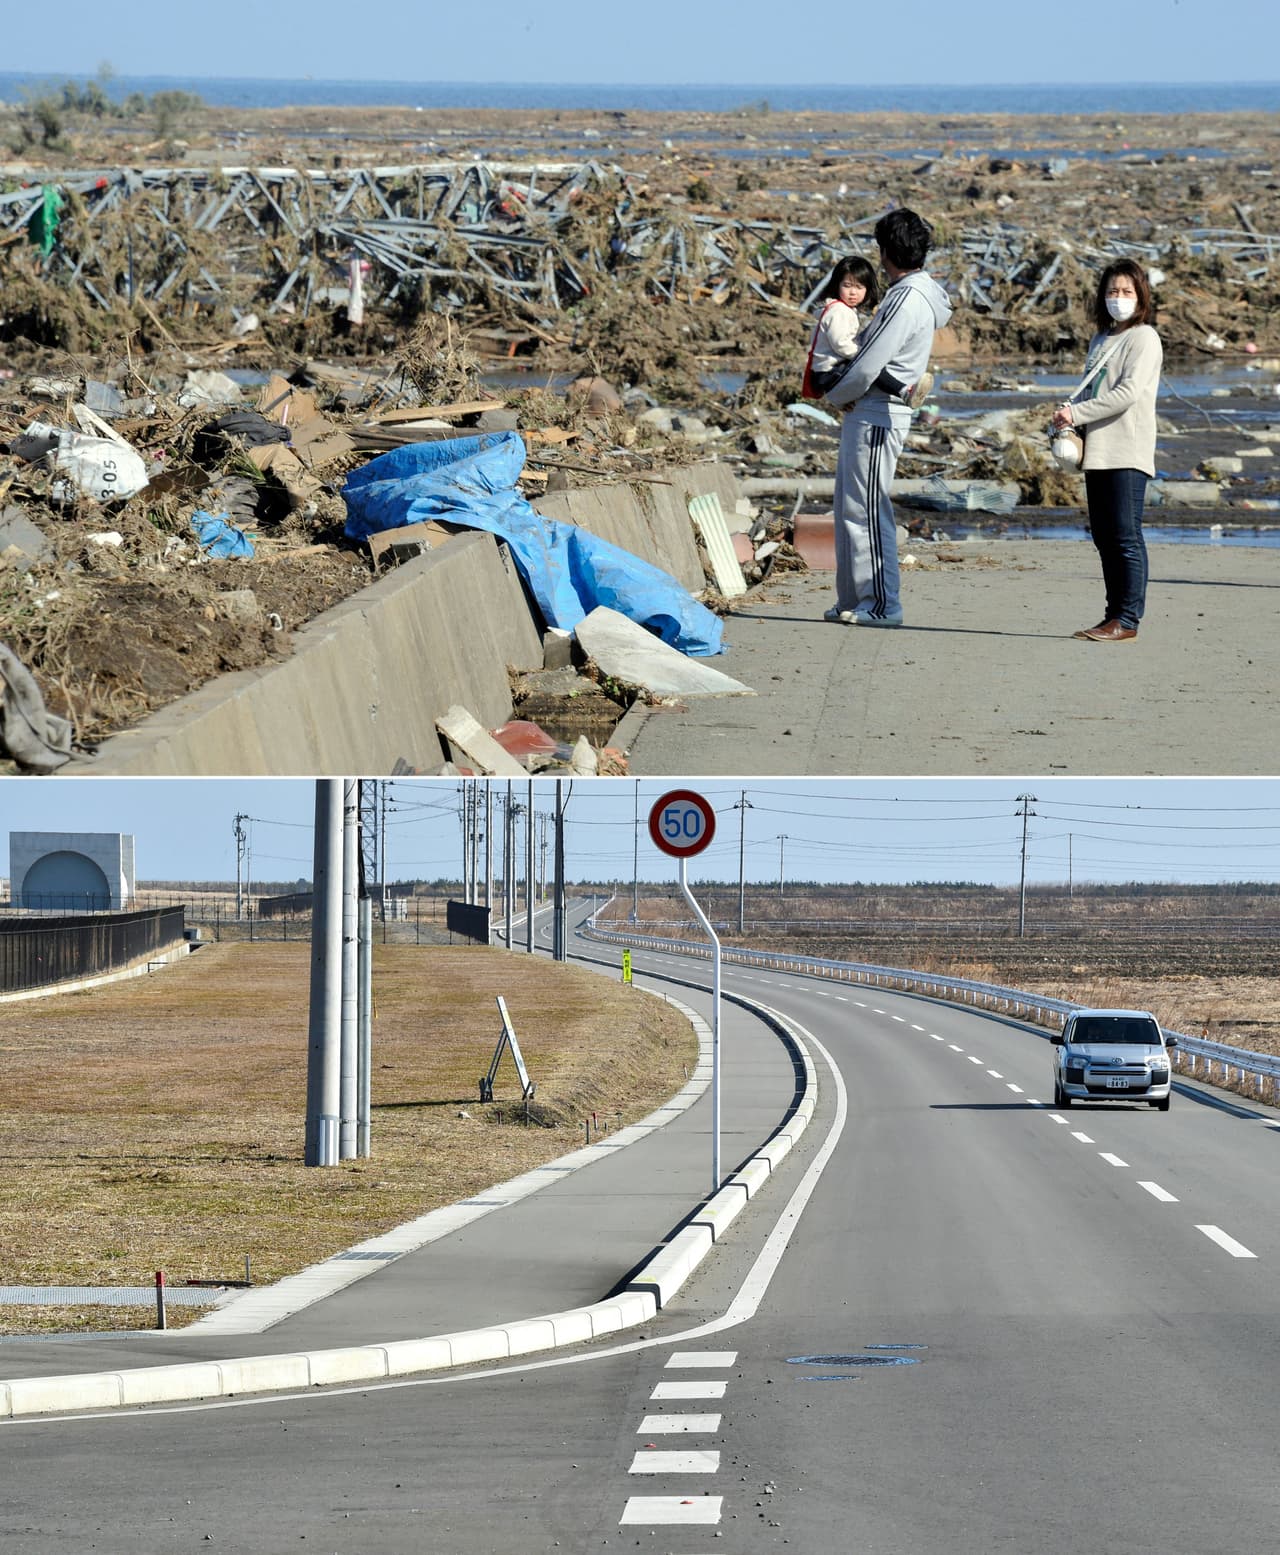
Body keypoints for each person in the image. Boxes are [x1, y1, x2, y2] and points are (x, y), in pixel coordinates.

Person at [823, 210, 953, 626]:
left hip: (879, 413)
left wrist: (836, 394)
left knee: (867, 509)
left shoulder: (906, 298)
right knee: (850, 506)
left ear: (885, 252)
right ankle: (853, 599)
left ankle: (881, 604)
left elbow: (867, 362)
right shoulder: (914, 292)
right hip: (871, 411)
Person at [1051, 259, 1163, 643]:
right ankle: (1112, 615)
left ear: (1141, 296)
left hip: (1127, 449)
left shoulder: (1144, 338)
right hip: (1097, 450)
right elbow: (1092, 389)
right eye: (1112, 291)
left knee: (1125, 535)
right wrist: (1068, 419)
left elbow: (1127, 394)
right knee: (1104, 536)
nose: (1119, 299)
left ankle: (1128, 619)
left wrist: (1076, 411)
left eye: (1126, 292)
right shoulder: (1101, 339)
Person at [804, 256, 933, 408]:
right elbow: (841, 344)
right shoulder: (838, 311)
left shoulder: (842, 309)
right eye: (847, 285)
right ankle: (904, 391)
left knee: (869, 367)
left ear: (867, 289)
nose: (853, 292)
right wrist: (864, 353)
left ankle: (846, 398)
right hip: (827, 373)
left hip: (829, 371)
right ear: (837, 285)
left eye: (859, 287)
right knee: (871, 367)